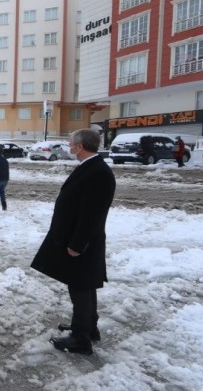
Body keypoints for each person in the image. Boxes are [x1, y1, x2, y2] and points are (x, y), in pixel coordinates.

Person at [30, 128, 116, 355]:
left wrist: (77, 245)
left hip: (82, 245)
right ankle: (88, 327)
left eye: (71, 143)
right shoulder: (90, 167)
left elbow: (91, 215)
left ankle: (81, 339)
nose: (69, 146)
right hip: (80, 241)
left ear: (80, 146)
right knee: (85, 285)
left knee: (80, 288)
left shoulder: (98, 172)